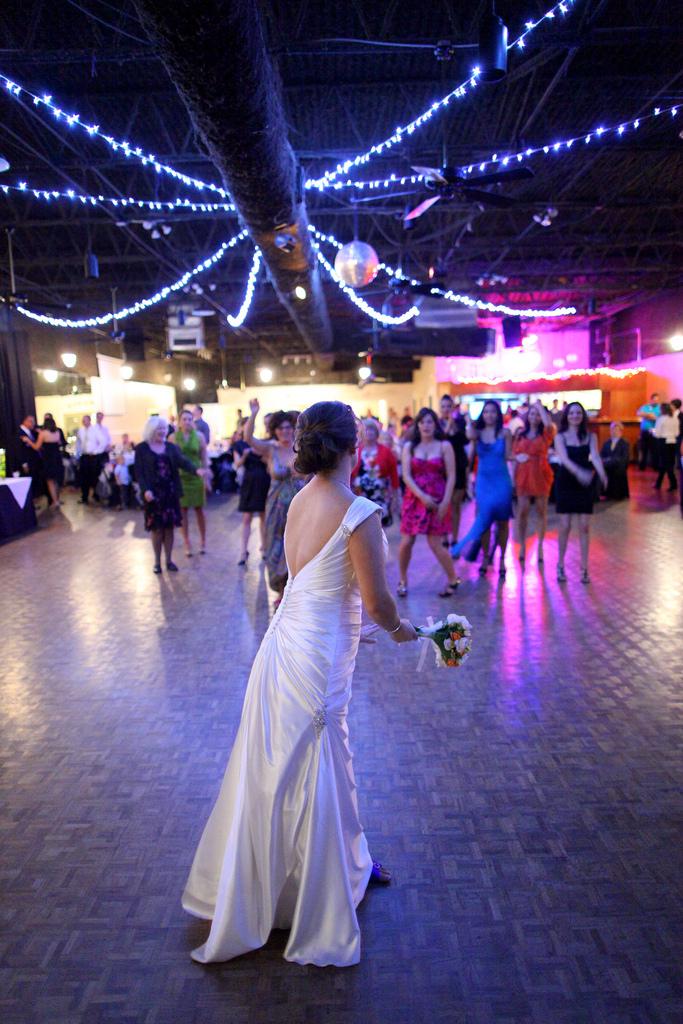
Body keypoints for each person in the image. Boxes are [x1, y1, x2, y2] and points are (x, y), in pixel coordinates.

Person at [181, 400, 418, 967]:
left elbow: (305, 582)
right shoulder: (359, 512)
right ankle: (316, 893)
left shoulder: (298, 499)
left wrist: (350, 627)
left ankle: (298, 878)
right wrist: (405, 631)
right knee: (319, 761)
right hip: (317, 657)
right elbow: (380, 602)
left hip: (284, 645)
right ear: (349, 447)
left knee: (273, 765)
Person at [244, 400, 305, 601]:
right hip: (276, 507)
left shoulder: (301, 448)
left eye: (288, 427)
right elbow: (248, 438)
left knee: (299, 545)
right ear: (275, 430)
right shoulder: (271, 448)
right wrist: (254, 413)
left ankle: (295, 588)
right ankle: (280, 588)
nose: (285, 431)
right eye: (281, 428)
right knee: (276, 547)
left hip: (299, 506)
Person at [398, 407, 461, 598]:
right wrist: (422, 496)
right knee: (407, 541)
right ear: (417, 425)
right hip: (414, 499)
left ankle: (453, 579)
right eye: (423, 422)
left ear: (436, 424)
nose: (426, 425)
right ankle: (402, 580)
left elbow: (451, 476)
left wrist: (445, 503)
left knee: (436, 543)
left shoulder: (444, 446)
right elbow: (406, 476)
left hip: (438, 499)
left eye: (430, 422)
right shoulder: (410, 447)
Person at [134, 415, 207, 573]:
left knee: (169, 528)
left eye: (163, 428)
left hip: (170, 492)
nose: (162, 431)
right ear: (151, 430)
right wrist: (145, 490)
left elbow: (182, 461)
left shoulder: (171, 447)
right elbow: (139, 473)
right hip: (153, 494)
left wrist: (196, 470)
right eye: (158, 429)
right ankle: (157, 562)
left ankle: (168, 560)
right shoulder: (141, 449)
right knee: (157, 529)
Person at [451, 400, 513, 580]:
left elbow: (508, 455)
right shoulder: (476, 433)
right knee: (484, 521)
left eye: (493, 412)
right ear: (482, 414)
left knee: (503, 522)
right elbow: (468, 433)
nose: (490, 415)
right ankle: (486, 557)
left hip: (501, 481)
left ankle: (501, 559)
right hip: (483, 482)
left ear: (498, 414)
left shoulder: (505, 433)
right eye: (486, 412)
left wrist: (519, 458)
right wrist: (469, 419)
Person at [553, 402, 607, 584]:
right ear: (566, 416)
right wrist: (579, 473)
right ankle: (560, 564)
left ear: (583, 416)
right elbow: (564, 459)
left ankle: (584, 568)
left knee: (584, 526)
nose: (575, 416)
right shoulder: (560, 437)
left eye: (578, 413)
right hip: (566, 481)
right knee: (565, 525)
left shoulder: (590, 437)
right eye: (572, 413)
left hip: (584, 483)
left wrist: (601, 473)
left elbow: (596, 456)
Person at [512, 400, 555, 566]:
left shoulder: (546, 433)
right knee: (522, 510)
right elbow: (513, 452)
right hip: (523, 473)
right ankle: (522, 545)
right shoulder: (520, 433)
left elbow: (549, 424)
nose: (534, 417)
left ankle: (541, 546)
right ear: (527, 416)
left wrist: (539, 406)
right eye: (532, 413)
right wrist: (517, 459)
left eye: (537, 414)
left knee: (541, 510)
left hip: (540, 472)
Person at [350, 418, 399, 527]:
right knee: (362, 527)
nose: (369, 432)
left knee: (380, 527)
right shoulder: (355, 451)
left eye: (372, 429)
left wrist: (395, 497)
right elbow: (350, 473)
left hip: (380, 496)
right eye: (366, 429)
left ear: (377, 432)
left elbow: (394, 475)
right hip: (360, 496)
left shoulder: (386, 451)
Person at [233, 424, 271, 566]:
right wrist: (245, 454)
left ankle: (264, 548)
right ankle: (243, 551)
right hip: (248, 483)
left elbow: (269, 462)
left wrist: (261, 455)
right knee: (247, 518)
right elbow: (237, 464)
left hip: (263, 482)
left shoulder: (261, 443)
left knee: (263, 516)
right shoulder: (239, 445)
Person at [175, 409, 210, 556]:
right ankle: (187, 543)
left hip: (197, 476)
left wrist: (207, 478)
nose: (187, 422)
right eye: (184, 419)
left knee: (199, 510)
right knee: (182, 512)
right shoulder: (173, 437)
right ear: (179, 421)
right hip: (181, 477)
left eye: (190, 419)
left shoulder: (200, 436)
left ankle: (203, 541)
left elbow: (204, 458)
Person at [438, 395, 469, 548]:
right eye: (443, 406)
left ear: (453, 408)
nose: (446, 410)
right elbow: (440, 439)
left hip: (459, 466)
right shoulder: (437, 425)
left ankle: (455, 538)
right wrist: (448, 427)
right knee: (445, 503)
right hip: (442, 469)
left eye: (448, 406)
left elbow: (465, 440)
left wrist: (454, 426)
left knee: (456, 504)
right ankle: (444, 536)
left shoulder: (461, 422)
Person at [20, 414, 64, 507]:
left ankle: (55, 501)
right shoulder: (57, 432)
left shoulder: (43, 433)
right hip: (57, 458)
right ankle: (58, 500)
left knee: (50, 481)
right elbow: (59, 443)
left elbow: (36, 447)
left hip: (48, 459)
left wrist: (28, 441)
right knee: (56, 480)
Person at [600, 422, 630, 500]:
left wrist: (613, 460)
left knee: (616, 469)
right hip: (607, 464)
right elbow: (602, 455)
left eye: (616, 430)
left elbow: (624, 457)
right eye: (612, 430)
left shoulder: (624, 443)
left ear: (620, 431)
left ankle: (617, 494)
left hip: (618, 465)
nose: (614, 432)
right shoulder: (607, 443)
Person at [75, 414, 101, 505]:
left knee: (94, 476)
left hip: (93, 457)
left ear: (89, 421)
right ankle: (84, 497)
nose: (83, 422)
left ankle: (96, 494)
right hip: (84, 456)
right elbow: (78, 443)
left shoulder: (95, 430)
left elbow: (102, 442)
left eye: (85, 420)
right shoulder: (80, 431)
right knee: (84, 478)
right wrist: (77, 455)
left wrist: (96, 451)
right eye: (83, 420)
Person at [652, 403, 678, 492]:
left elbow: (657, 434)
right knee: (667, 463)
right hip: (673, 442)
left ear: (662, 410)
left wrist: (652, 431)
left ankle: (673, 484)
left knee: (666, 464)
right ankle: (658, 483)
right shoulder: (675, 419)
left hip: (663, 442)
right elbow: (677, 433)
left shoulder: (661, 419)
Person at [637, 392, 660, 470]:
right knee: (643, 449)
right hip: (645, 431)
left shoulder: (660, 408)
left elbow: (657, 418)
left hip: (654, 432)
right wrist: (649, 415)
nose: (656, 402)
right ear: (651, 400)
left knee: (655, 450)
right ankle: (642, 466)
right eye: (654, 400)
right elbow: (639, 413)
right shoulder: (645, 407)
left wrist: (647, 415)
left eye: (657, 400)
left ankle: (655, 466)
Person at [92, 411, 112, 481]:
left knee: (106, 469)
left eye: (101, 417)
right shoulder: (93, 428)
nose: (100, 418)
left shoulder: (105, 428)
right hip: (97, 453)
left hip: (105, 452)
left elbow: (109, 439)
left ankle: (105, 486)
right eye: (99, 417)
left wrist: (109, 445)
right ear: (96, 417)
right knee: (98, 470)